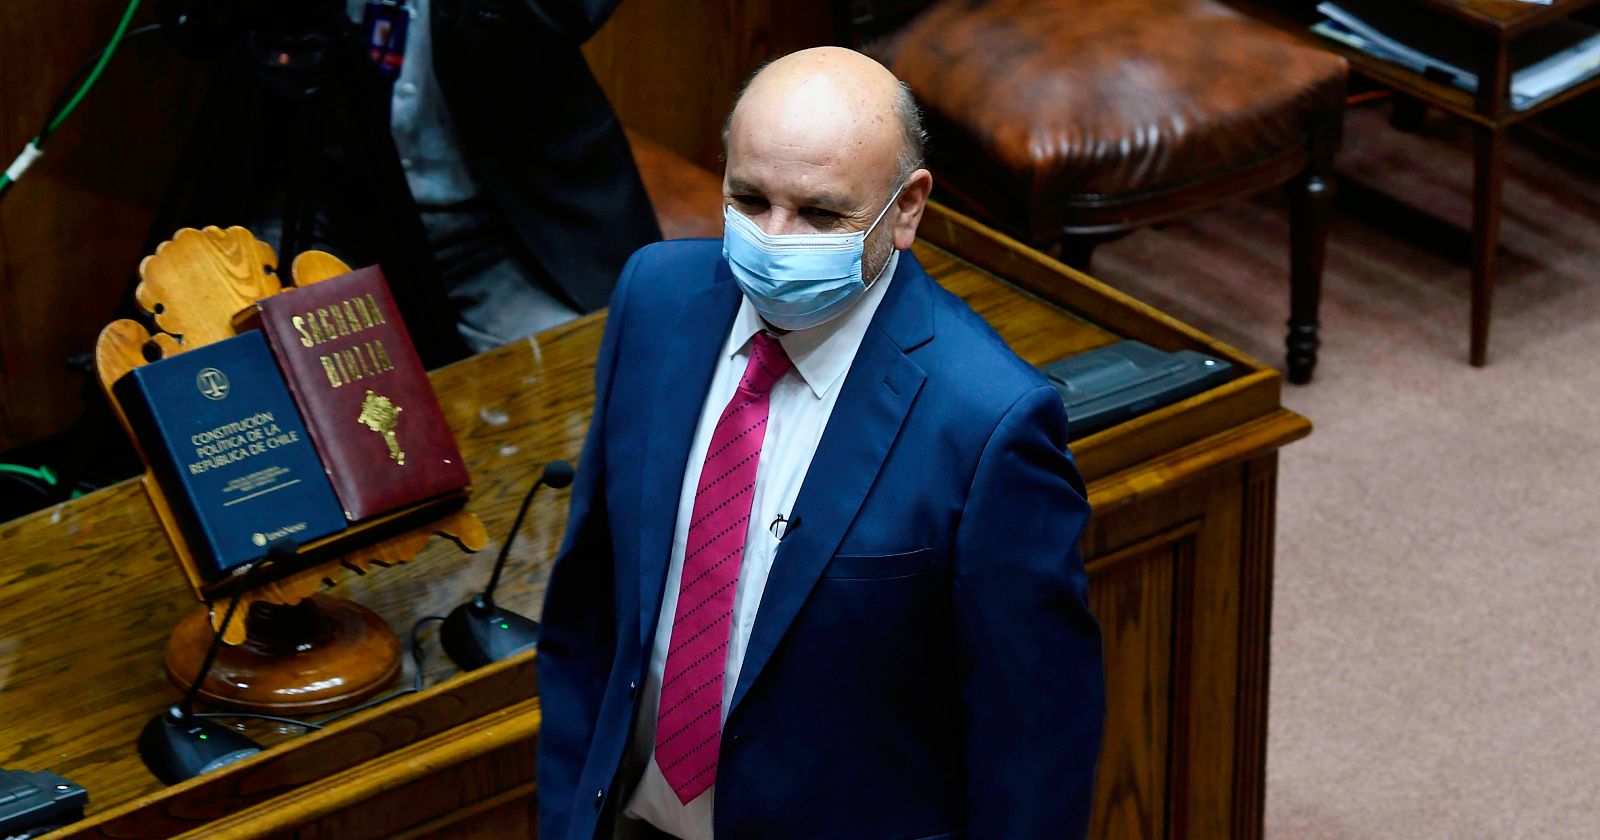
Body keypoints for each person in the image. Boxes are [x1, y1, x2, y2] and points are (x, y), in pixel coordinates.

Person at [537, 46, 1104, 840]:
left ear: (906, 209)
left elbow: (1034, 747)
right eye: (750, 199)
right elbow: (590, 606)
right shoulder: (654, 298)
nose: (774, 240)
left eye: (820, 215)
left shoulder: (988, 423)